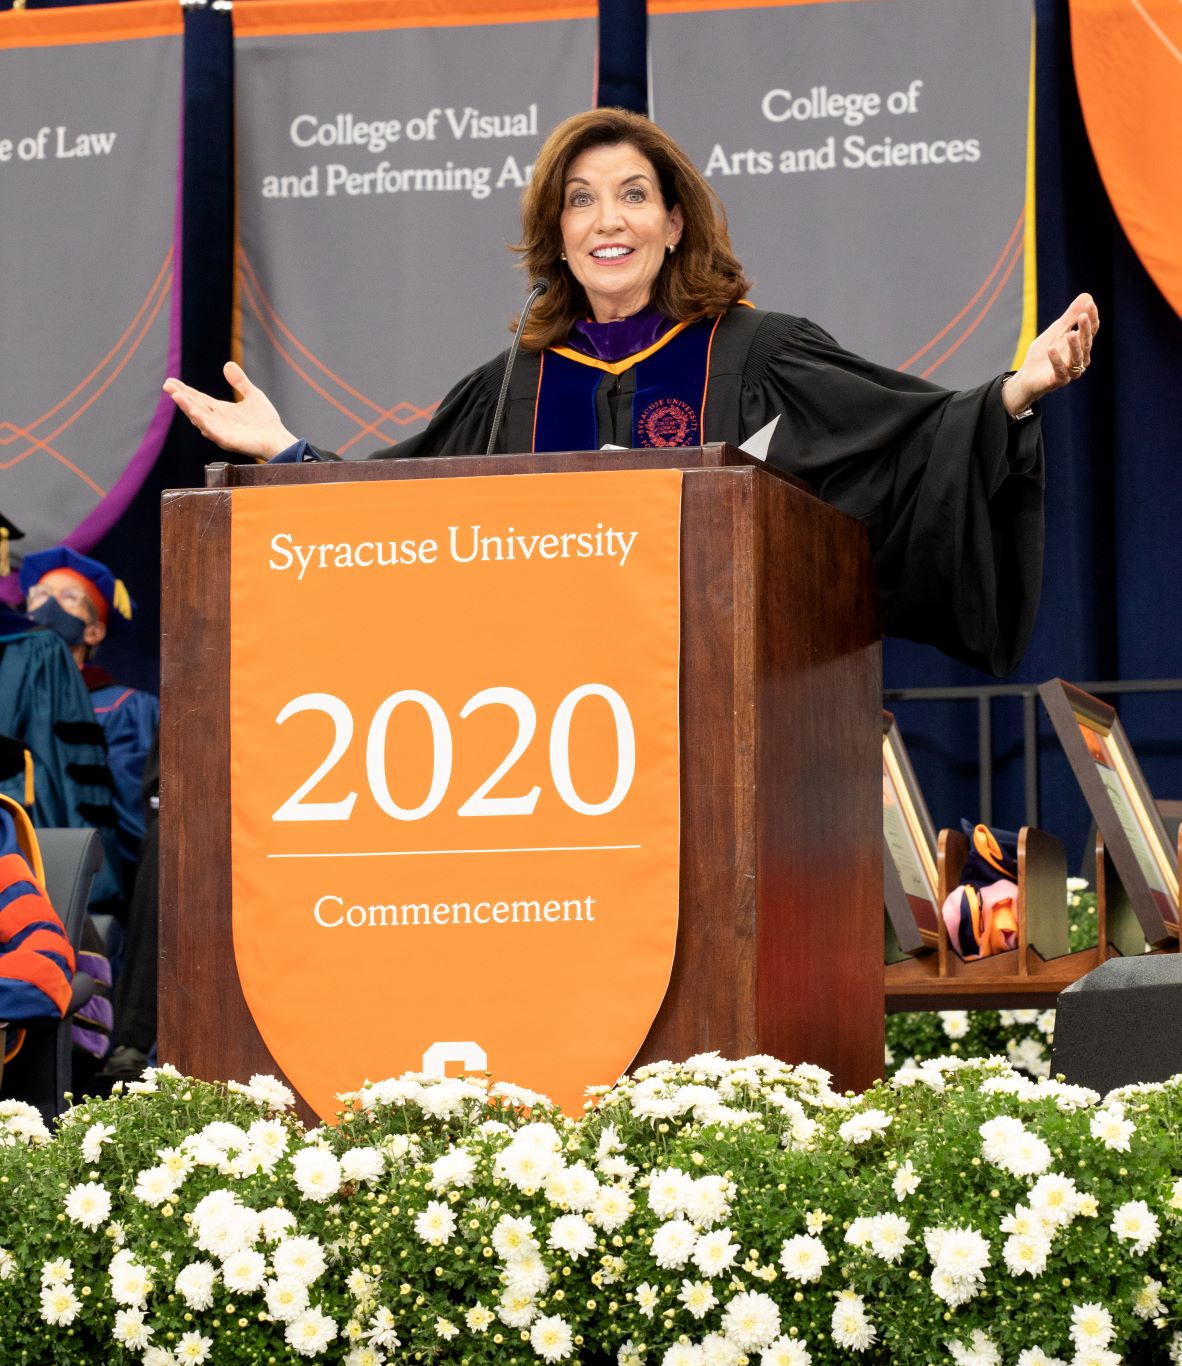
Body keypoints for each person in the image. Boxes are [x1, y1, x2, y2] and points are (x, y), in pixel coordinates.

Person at [164, 108, 1098, 675]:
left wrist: (1017, 389)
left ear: (673, 220)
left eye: (632, 194)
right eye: (579, 199)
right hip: (546, 720)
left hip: (721, 696)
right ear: (556, 233)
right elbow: (404, 518)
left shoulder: (760, 353)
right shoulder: (510, 391)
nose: (606, 219)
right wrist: (287, 452)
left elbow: (905, 445)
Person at [20, 547, 159, 881]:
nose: (48, 605)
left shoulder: (127, 708)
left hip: (92, 886)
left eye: (69, 597)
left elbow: (135, 820)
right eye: (39, 595)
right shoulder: (12, 702)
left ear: (94, 631)